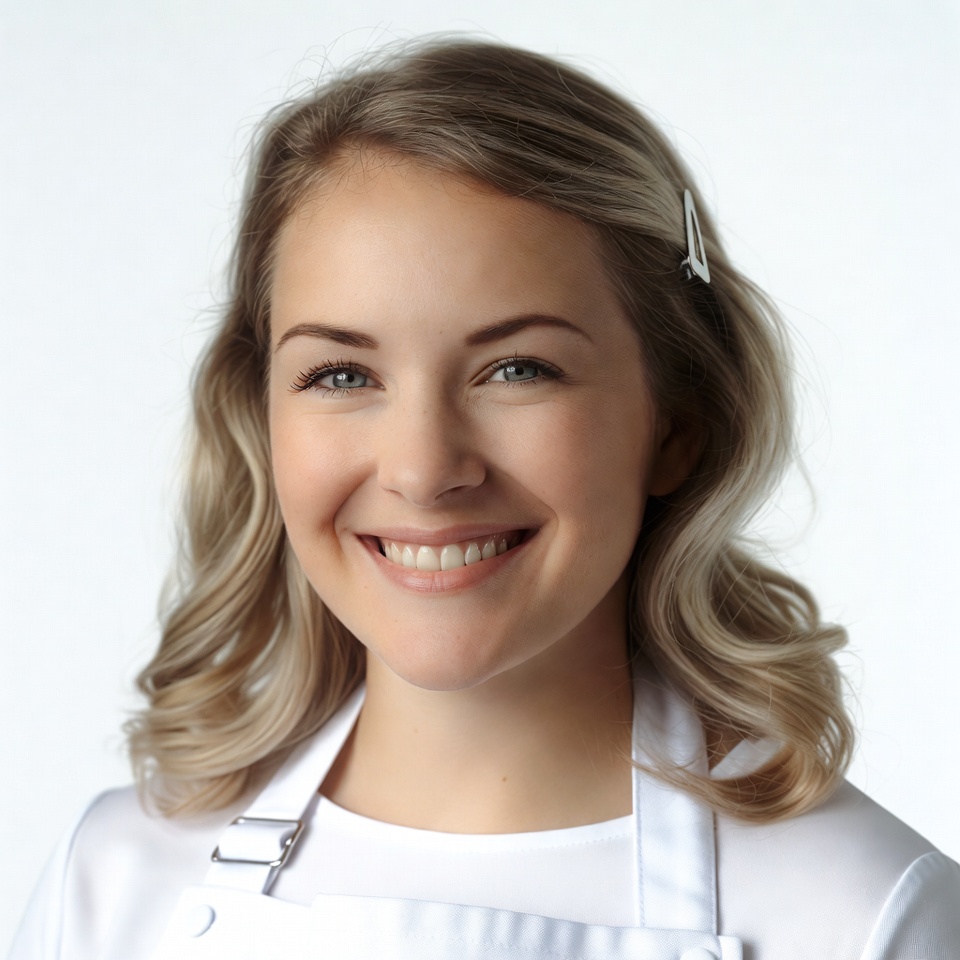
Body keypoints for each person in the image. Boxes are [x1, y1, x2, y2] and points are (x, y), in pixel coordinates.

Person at [9, 37, 960, 960]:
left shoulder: (865, 918)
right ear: (261, 417)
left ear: (678, 425)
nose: (424, 470)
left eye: (518, 368)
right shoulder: (116, 882)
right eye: (341, 375)